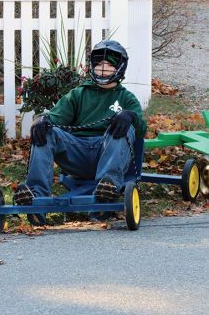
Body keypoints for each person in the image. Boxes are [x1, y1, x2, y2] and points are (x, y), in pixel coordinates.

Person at [13, 40, 147, 222]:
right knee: (44, 130)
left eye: (108, 65)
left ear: (119, 69)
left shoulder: (127, 98)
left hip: (109, 151)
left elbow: (141, 131)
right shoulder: (78, 94)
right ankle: (36, 199)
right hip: (78, 152)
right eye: (99, 64)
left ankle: (106, 190)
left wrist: (130, 116)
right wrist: (43, 120)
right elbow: (56, 116)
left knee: (122, 128)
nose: (102, 69)